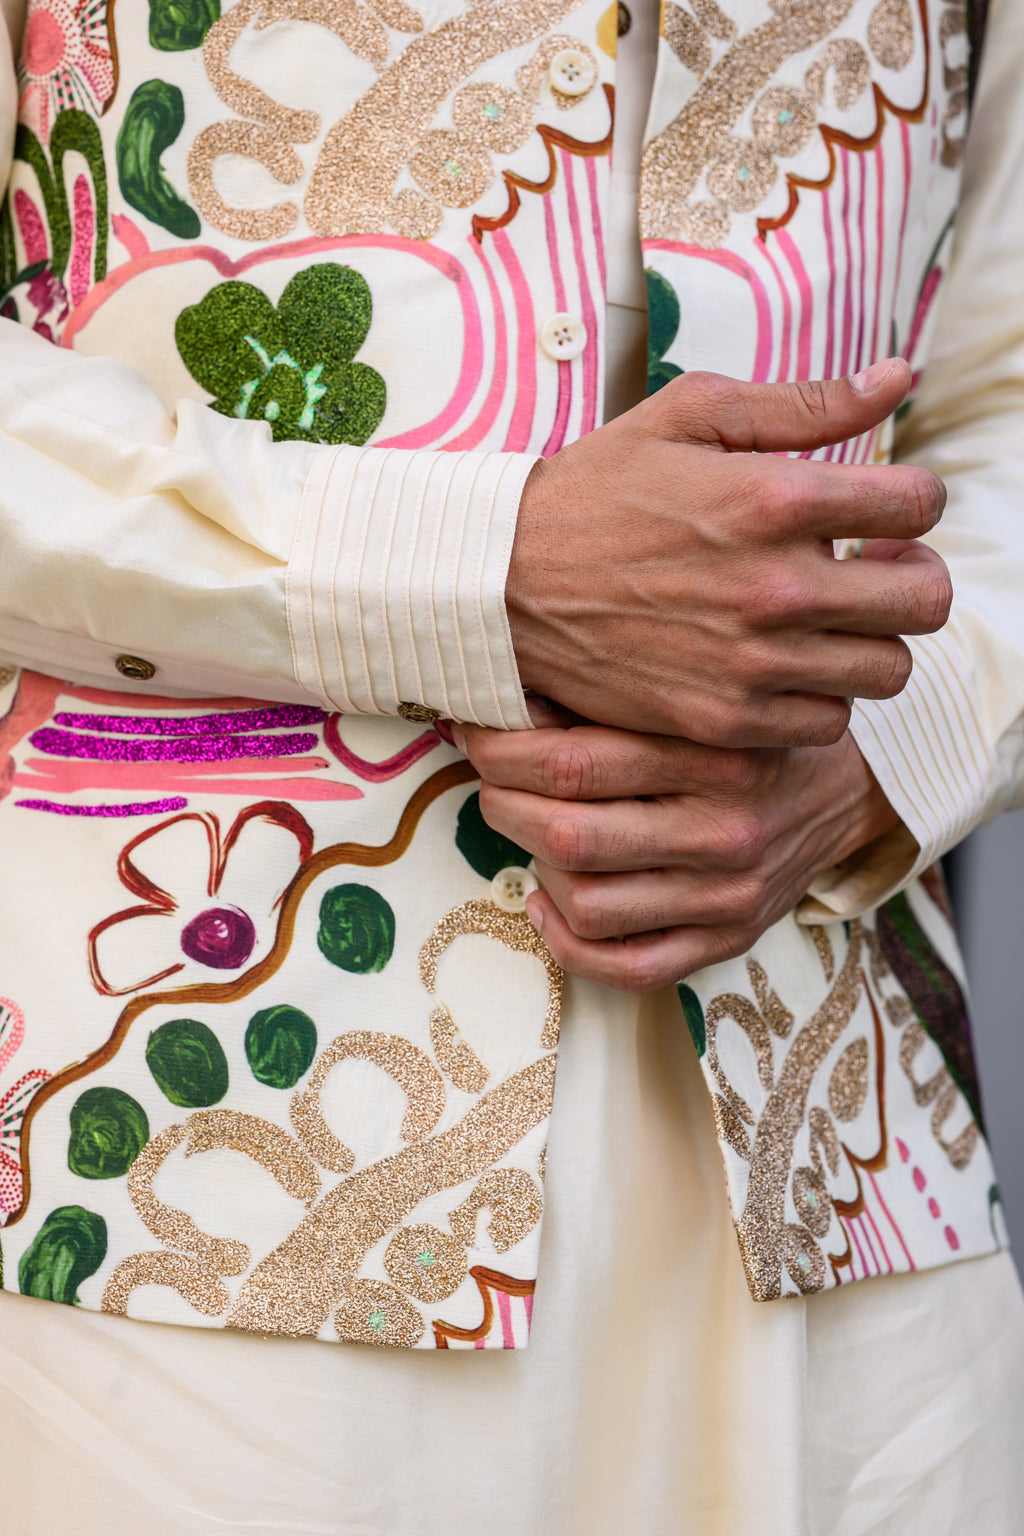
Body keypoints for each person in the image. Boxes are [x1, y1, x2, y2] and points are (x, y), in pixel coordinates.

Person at [0, 0, 1020, 1529]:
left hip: (854, 1189)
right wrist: (480, 567)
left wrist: (885, 748)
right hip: (184, 1191)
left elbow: (1002, 397)